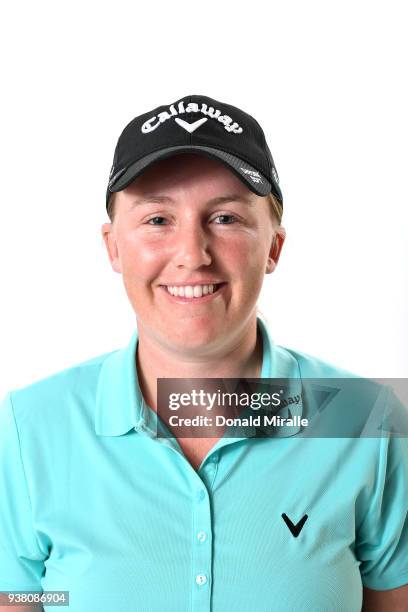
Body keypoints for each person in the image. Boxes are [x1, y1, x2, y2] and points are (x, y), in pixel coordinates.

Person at [0, 94, 407, 611]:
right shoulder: (31, 428)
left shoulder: (366, 423)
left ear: (275, 246)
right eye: (156, 220)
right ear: (114, 248)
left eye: (226, 218)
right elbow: (23, 600)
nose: (192, 254)